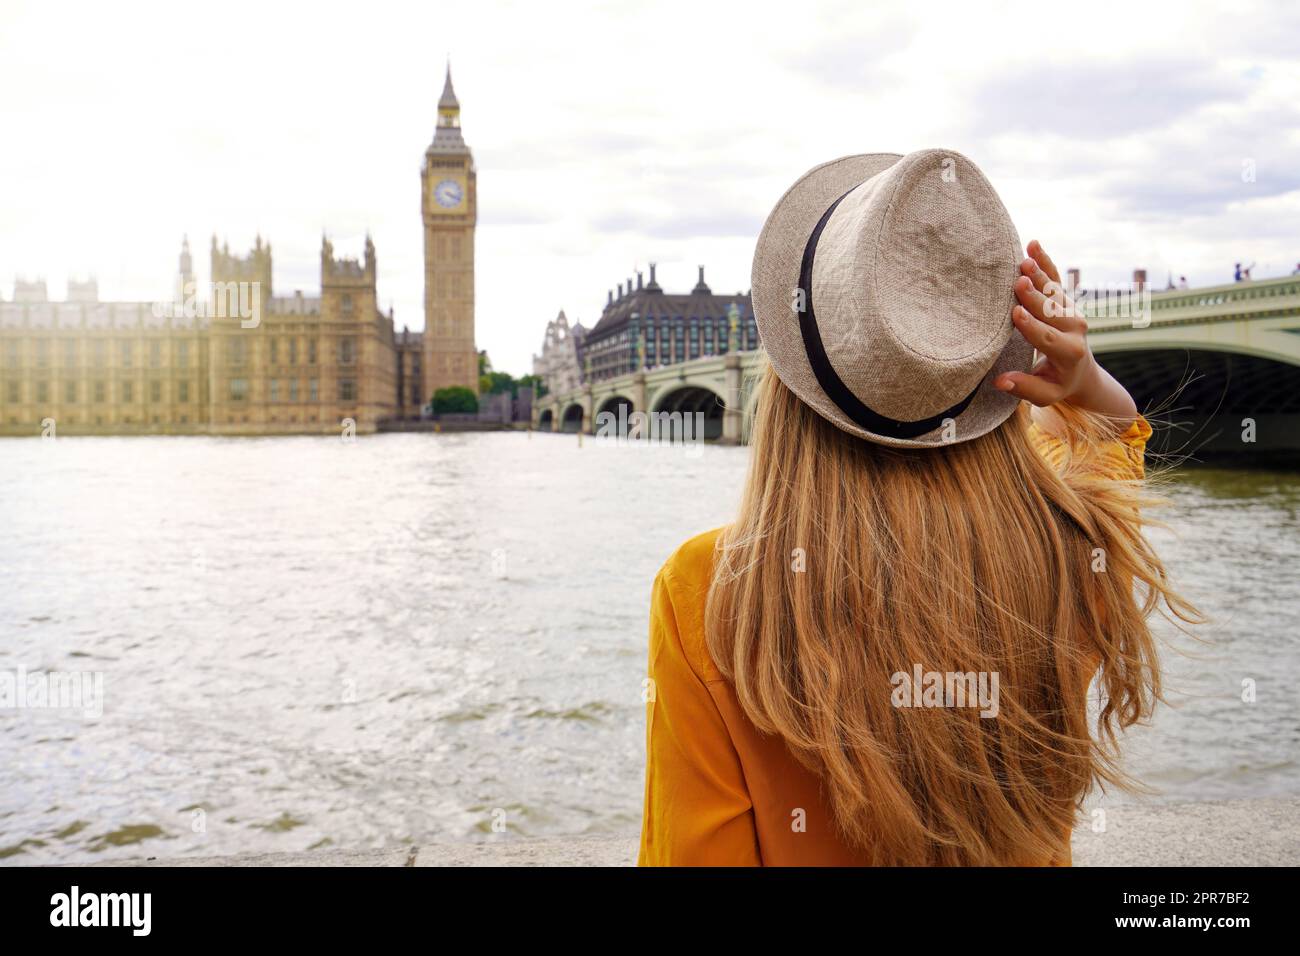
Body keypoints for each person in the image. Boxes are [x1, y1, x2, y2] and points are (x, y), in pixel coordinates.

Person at [637, 149, 1198, 866]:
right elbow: (1112, 450)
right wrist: (1090, 386)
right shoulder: (1063, 547)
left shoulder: (708, 590)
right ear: (996, 366)